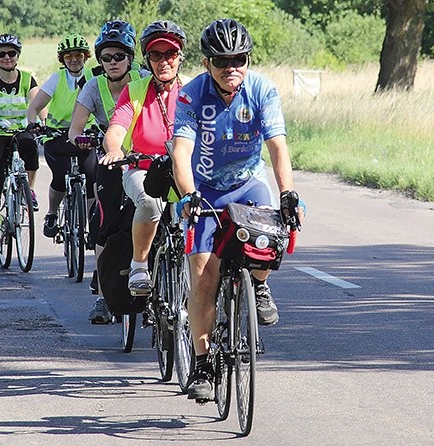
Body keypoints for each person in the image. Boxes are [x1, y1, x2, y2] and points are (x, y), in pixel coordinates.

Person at [171, 18, 303, 401]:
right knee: (204, 276)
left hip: (248, 184)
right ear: (207, 62)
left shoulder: (261, 89)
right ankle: (202, 362)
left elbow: (277, 146)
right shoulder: (191, 95)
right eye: (222, 60)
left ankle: (259, 286)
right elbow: (181, 151)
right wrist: (188, 194)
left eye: (240, 59)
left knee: (271, 238)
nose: (232, 68)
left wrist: (288, 193)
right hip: (207, 190)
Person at [100, 20, 188, 297]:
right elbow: (116, 130)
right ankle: (139, 265)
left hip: (183, 169)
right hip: (143, 169)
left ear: (180, 58)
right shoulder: (135, 90)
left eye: (170, 54)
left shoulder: (193, 92)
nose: (164, 61)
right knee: (150, 202)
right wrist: (115, 149)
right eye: (156, 55)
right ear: (147, 59)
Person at [67, 21, 147, 323]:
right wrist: (83, 140)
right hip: (110, 162)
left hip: (143, 161)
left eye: (118, 56)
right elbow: (75, 130)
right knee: (103, 223)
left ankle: (160, 283)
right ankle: (102, 296)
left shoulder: (145, 80)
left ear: (130, 58)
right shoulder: (93, 85)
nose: (112, 63)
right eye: (106, 57)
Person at [0, 34, 43, 255]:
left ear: (17, 55)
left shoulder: (26, 79)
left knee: (30, 149)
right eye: (1, 54)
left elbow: (39, 103)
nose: (6, 58)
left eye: (11, 53)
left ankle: (29, 190)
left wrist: (44, 122)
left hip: (20, 130)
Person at [26, 34, 97, 238]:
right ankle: (52, 213)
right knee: (60, 176)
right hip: (57, 137)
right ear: (62, 59)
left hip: (85, 136)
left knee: (92, 177)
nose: (74, 60)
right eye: (68, 57)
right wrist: (35, 124)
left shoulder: (93, 78)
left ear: (86, 57)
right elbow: (34, 107)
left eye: (78, 55)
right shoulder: (57, 78)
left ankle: (92, 220)